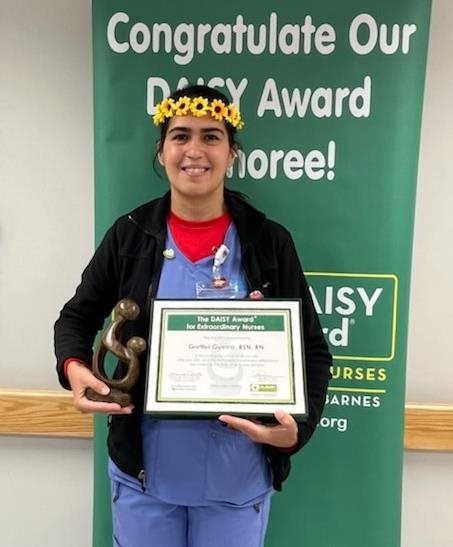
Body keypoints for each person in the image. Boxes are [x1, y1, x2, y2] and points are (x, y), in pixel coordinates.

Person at [54, 84, 332, 547]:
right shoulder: (130, 235)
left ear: (232, 153)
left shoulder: (268, 243)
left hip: (237, 479)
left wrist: (294, 432)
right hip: (144, 477)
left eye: (211, 136)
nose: (195, 150)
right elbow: (75, 319)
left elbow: (313, 352)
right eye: (180, 135)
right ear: (161, 151)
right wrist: (76, 368)